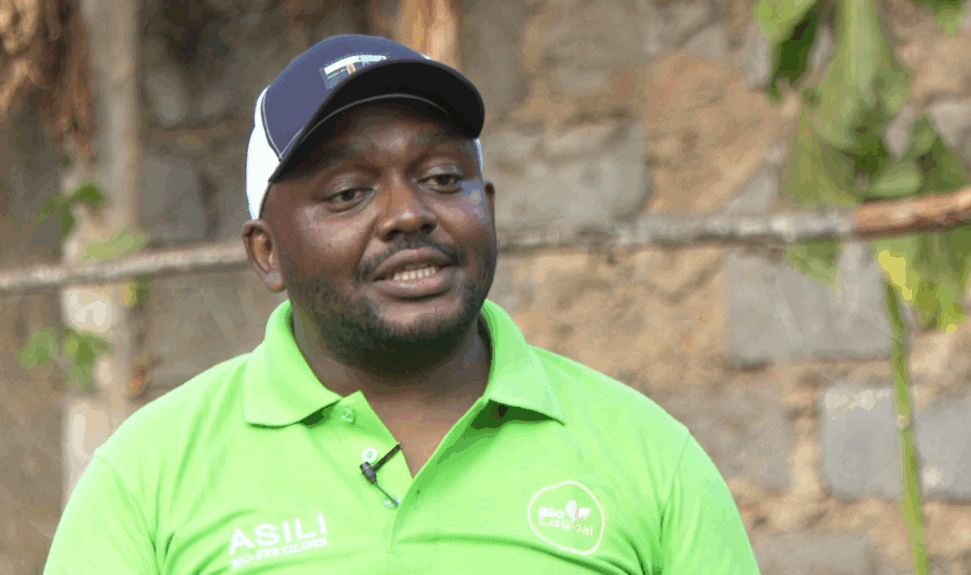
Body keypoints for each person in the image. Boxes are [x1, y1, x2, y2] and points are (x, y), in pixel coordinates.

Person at [43, 34, 761, 574]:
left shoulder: (649, 457)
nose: (408, 214)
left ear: (489, 209)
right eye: (348, 192)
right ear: (268, 253)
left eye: (442, 177)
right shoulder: (148, 477)